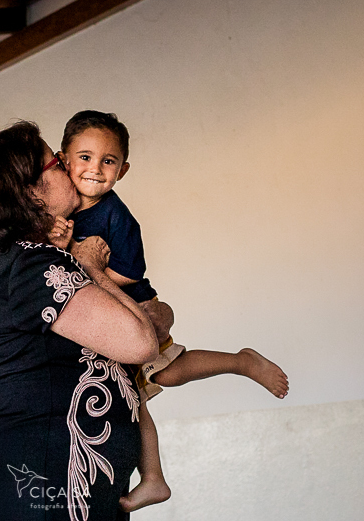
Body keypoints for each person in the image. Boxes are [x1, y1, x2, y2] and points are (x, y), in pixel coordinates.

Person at [56, 110, 290, 513]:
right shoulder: (60, 209)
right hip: (103, 321)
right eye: (85, 157)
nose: (95, 169)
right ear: (64, 159)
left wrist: (89, 273)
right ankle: (153, 479)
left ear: (122, 170)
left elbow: (130, 271)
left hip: (134, 308)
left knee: (166, 373)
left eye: (108, 161)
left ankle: (241, 361)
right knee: (135, 396)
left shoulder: (116, 216)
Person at [0, 120, 160, 521]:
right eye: (57, 164)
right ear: (29, 189)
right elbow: (140, 343)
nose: (69, 167)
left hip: (54, 476)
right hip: (41, 477)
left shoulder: (20, 258)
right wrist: (91, 267)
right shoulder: (27, 265)